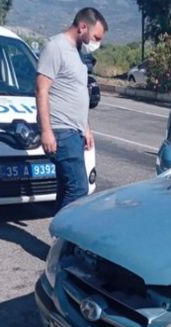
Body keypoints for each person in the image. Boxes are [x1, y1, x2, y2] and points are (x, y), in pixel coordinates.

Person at [36, 7, 108, 209]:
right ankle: (66, 237)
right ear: (83, 26)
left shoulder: (77, 53)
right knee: (78, 189)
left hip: (73, 130)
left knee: (66, 187)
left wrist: (86, 127)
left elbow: (76, 91)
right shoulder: (55, 47)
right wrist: (46, 131)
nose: (97, 43)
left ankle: (60, 238)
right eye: (96, 37)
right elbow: (41, 90)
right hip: (60, 130)